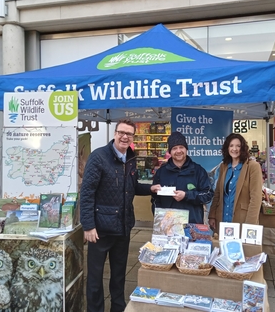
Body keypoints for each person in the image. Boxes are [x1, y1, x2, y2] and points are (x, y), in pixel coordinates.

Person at [80, 118, 161, 312]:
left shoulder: (130, 159)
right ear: (115, 134)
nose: (125, 137)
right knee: (95, 278)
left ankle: (118, 308)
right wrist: (88, 226)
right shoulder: (99, 157)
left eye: (129, 134)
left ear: (133, 137)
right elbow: (87, 193)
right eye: (121, 133)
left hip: (123, 228)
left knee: (118, 276)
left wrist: (151, 188)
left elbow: (130, 188)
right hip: (99, 230)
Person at [151, 131, 213, 224]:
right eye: (175, 148)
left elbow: (208, 195)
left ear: (186, 149)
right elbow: (155, 199)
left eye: (181, 147)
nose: (178, 151)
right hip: (168, 225)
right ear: (170, 151)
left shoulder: (198, 170)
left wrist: (186, 195)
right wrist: (160, 218)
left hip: (193, 225)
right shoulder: (161, 172)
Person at [208, 133, 263, 233]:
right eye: (231, 146)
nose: (234, 149)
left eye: (238, 146)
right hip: (223, 219)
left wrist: (250, 225)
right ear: (227, 148)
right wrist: (212, 215)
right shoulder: (224, 166)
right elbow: (218, 193)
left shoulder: (252, 166)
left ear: (243, 148)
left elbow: (256, 198)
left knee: (241, 248)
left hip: (242, 220)